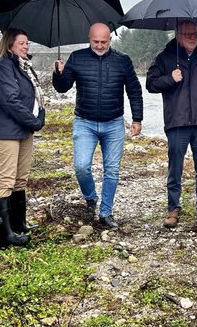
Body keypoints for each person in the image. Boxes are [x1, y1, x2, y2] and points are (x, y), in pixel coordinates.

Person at [52, 22, 142, 230]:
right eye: (96, 42)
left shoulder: (123, 61)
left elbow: (134, 91)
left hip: (114, 124)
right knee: (81, 166)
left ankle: (106, 212)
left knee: (112, 170)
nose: (100, 46)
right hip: (85, 122)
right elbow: (62, 88)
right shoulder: (77, 58)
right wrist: (59, 74)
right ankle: (91, 197)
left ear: (110, 40)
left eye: (104, 42)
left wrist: (137, 120)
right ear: (89, 39)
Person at [146, 20, 197, 228]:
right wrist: (170, 78)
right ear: (178, 35)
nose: (192, 37)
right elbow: (150, 84)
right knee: (175, 168)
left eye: (195, 34)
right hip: (177, 122)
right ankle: (173, 209)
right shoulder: (164, 58)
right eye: (187, 34)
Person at [0, 28, 45, 249]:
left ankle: (19, 225)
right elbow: (9, 100)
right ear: (9, 44)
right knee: (6, 180)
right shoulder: (3, 67)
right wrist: (33, 121)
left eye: (27, 42)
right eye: (21, 43)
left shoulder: (24, 67)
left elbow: (32, 97)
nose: (25, 46)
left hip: (23, 130)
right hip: (6, 131)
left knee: (21, 179)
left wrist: (40, 115)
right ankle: (5, 235)